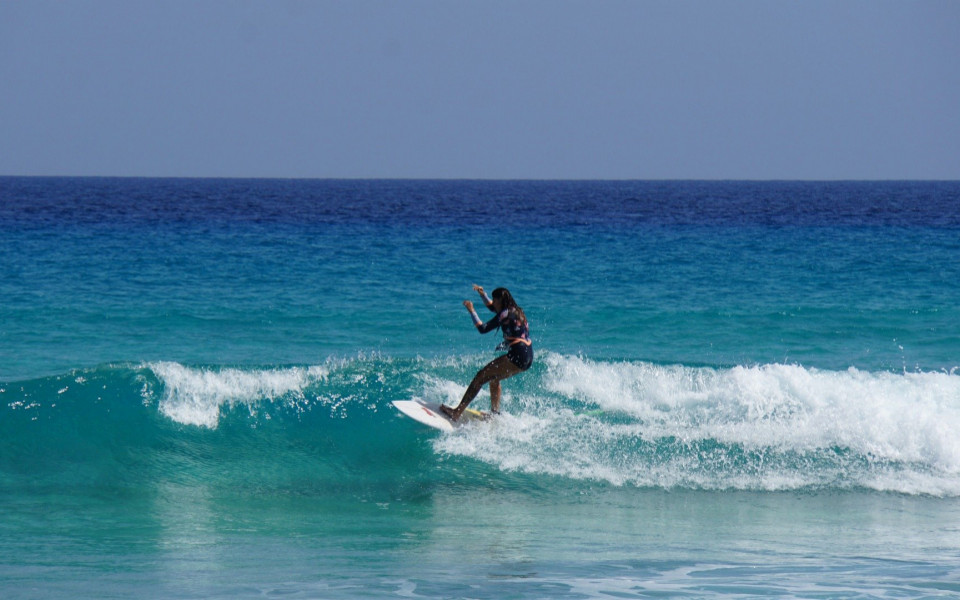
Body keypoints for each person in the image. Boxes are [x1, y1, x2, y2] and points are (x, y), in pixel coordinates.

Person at [440, 284, 533, 421]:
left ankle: (457, 412)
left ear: (500, 301)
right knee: (494, 379)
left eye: (495, 300)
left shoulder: (504, 313)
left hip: (517, 354)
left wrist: (472, 311)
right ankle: (495, 414)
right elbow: (492, 307)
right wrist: (482, 295)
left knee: (480, 377)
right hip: (528, 356)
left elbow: (483, 328)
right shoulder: (516, 311)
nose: (493, 303)